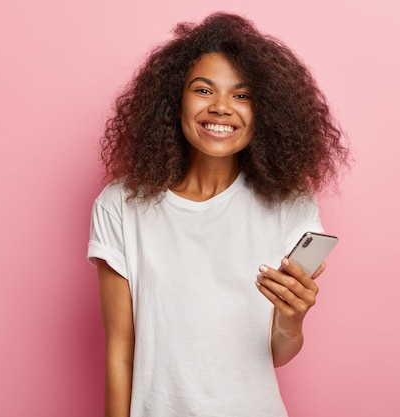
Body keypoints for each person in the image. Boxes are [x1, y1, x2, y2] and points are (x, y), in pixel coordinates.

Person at [88, 12, 349, 417]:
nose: (222, 107)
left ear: (264, 111)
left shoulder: (289, 203)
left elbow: (277, 355)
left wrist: (291, 320)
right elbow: (121, 351)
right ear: (174, 101)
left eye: (242, 95)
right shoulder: (121, 205)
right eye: (204, 90)